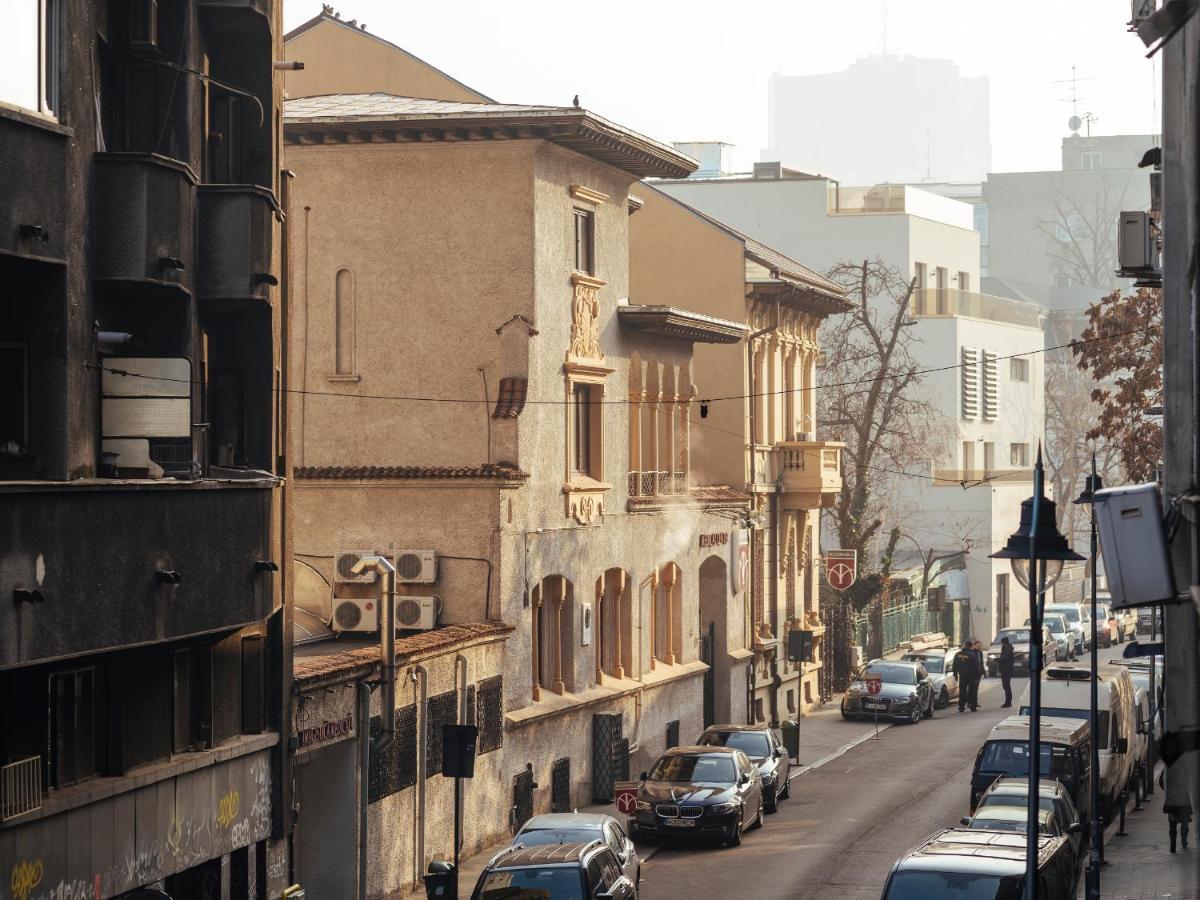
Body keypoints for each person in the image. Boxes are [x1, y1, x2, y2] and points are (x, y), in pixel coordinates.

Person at [952, 642, 980, 712]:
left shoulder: (958, 654)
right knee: (972, 691)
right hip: (971, 676)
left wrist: (955, 674)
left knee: (962, 691)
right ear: (971, 647)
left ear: (965, 646)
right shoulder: (972, 655)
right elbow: (976, 666)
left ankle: (961, 707)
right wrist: (977, 676)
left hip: (962, 676)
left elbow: (954, 664)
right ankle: (973, 707)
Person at [998, 636, 1015, 708]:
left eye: (1002, 643)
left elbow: (1004, 659)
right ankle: (1008, 701)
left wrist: (997, 659)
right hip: (1007, 669)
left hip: (1006, 670)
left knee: (1006, 686)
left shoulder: (1006, 649)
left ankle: (1008, 702)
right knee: (1006, 686)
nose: (1001, 645)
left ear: (1004, 643)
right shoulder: (1008, 648)